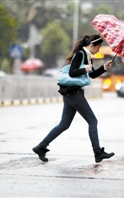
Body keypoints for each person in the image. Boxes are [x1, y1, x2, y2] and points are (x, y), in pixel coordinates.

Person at [32, 34, 115, 163]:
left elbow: (92, 75)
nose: (99, 50)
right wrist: (84, 68)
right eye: (98, 47)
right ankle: (97, 152)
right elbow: (72, 72)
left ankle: (41, 147)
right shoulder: (80, 54)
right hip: (73, 93)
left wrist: (104, 67)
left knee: (64, 124)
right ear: (92, 45)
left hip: (73, 93)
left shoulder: (88, 57)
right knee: (93, 121)